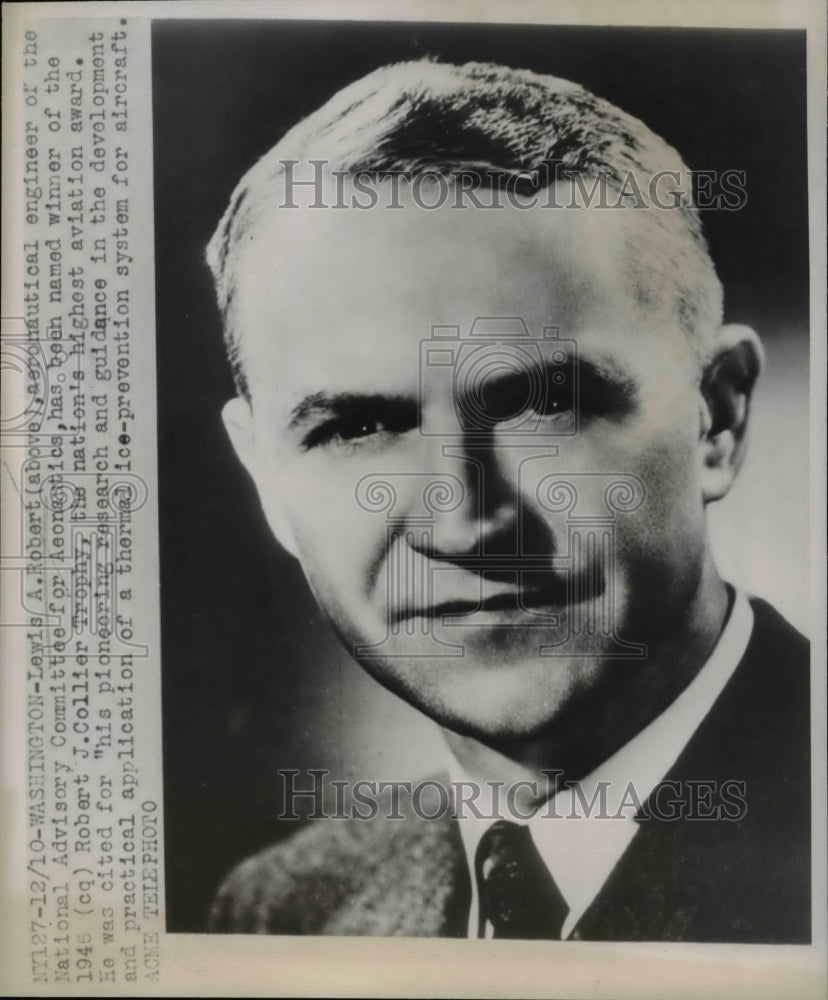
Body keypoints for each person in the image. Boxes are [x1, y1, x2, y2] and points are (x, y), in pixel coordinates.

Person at [203, 60, 809, 942]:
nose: (463, 521)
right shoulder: (280, 909)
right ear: (266, 478)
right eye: (358, 426)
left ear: (715, 416)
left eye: (543, 405)